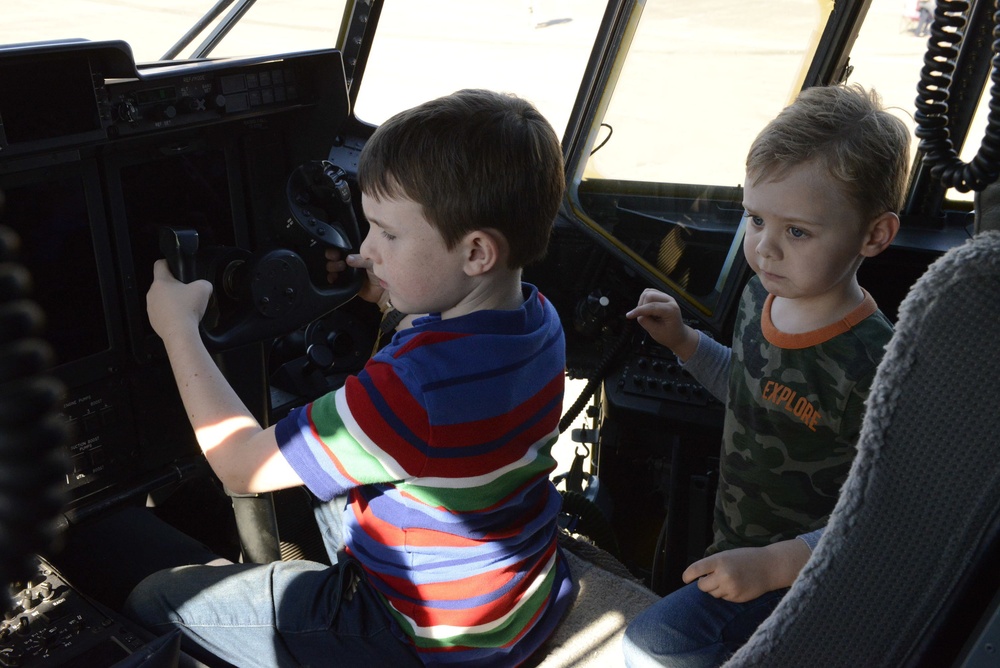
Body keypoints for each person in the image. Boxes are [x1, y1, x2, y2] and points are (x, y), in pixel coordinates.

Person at [128, 88, 574, 667]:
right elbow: (437, 341)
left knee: (154, 597)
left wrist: (178, 328)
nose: (366, 250)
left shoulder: (410, 391)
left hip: (416, 635)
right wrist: (387, 288)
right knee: (324, 475)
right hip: (513, 593)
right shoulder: (538, 318)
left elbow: (240, 464)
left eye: (387, 234)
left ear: (477, 252)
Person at [621, 83, 910, 667]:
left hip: (809, 577)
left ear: (874, 235)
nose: (765, 248)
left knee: (649, 650)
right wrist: (683, 341)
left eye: (797, 231)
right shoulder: (761, 297)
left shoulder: (875, 364)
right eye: (755, 218)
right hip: (736, 550)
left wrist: (774, 565)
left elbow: (884, 513)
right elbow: (748, 388)